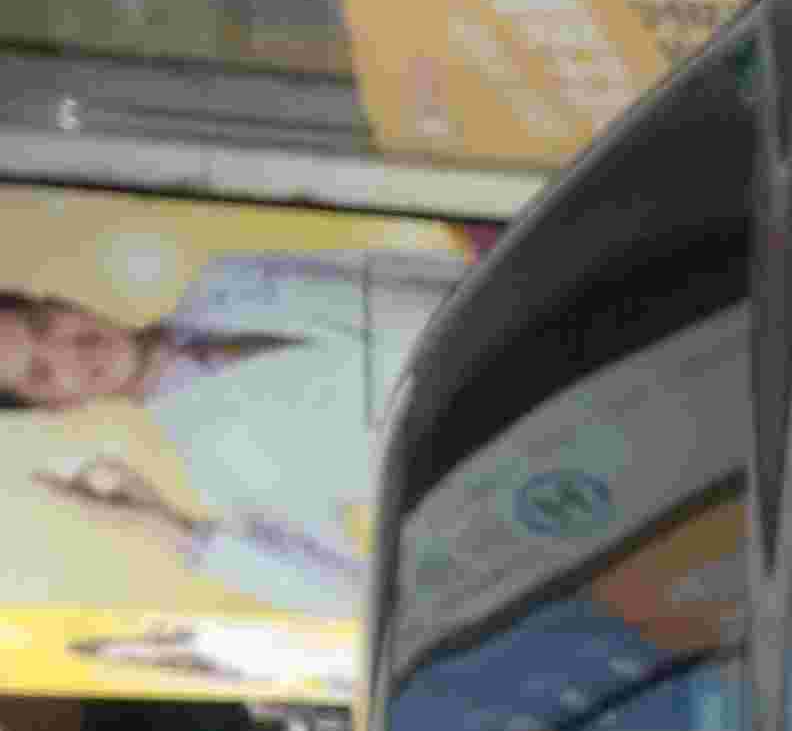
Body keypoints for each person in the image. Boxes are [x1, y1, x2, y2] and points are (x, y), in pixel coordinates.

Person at [0, 248, 461, 617]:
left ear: (60, 303)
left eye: (44, 325)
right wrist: (164, 526)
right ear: (56, 406)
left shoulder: (229, 275)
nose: (71, 351)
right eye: (42, 374)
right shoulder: (222, 470)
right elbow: (353, 592)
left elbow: (413, 268)